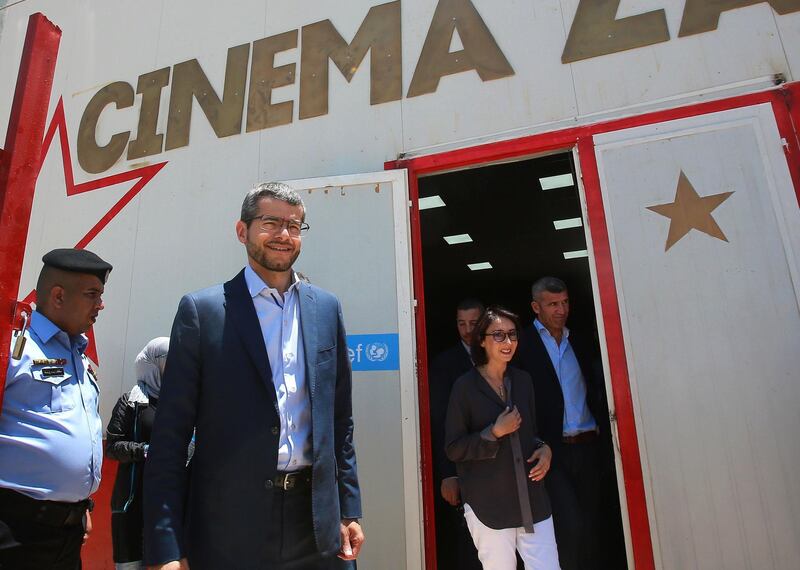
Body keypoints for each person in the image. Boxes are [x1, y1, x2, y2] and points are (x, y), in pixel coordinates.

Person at [143, 182, 364, 569]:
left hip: (316, 526)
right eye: (270, 222)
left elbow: (339, 422)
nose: (283, 235)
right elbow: (170, 438)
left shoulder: (326, 309)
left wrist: (348, 508)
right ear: (242, 231)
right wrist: (166, 546)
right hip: (230, 527)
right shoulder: (204, 311)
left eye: (294, 226)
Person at [0, 248, 112, 569]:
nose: (100, 304)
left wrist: (77, 506)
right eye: (92, 294)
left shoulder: (79, 355)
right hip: (15, 531)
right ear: (58, 296)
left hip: (68, 532)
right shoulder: (14, 348)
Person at [515, 277, 624, 570]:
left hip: (589, 446)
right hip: (553, 451)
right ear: (536, 307)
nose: (561, 310)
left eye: (564, 302)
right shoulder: (522, 345)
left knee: (593, 524)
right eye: (552, 304)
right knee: (569, 524)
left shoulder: (583, 340)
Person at [445, 306, 560, 570]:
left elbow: (532, 434)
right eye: (498, 335)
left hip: (532, 502)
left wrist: (545, 449)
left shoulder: (523, 381)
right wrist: (494, 433)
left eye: (512, 334)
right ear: (482, 340)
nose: (508, 342)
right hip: (489, 506)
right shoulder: (464, 387)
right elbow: (454, 448)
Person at [428, 299, 483, 570]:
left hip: (502, 468)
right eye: (462, 323)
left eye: (473, 323)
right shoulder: (444, 364)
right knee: (468, 542)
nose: (467, 329)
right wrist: (448, 473)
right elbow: (440, 422)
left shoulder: (502, 355)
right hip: (463, 465)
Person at [106, 337, 170, 569]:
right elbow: (112, 447)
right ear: (153, 364)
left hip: (166, 504)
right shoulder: (131, 402)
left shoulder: (178, 403)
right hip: (132, 503)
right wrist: (144, 450)